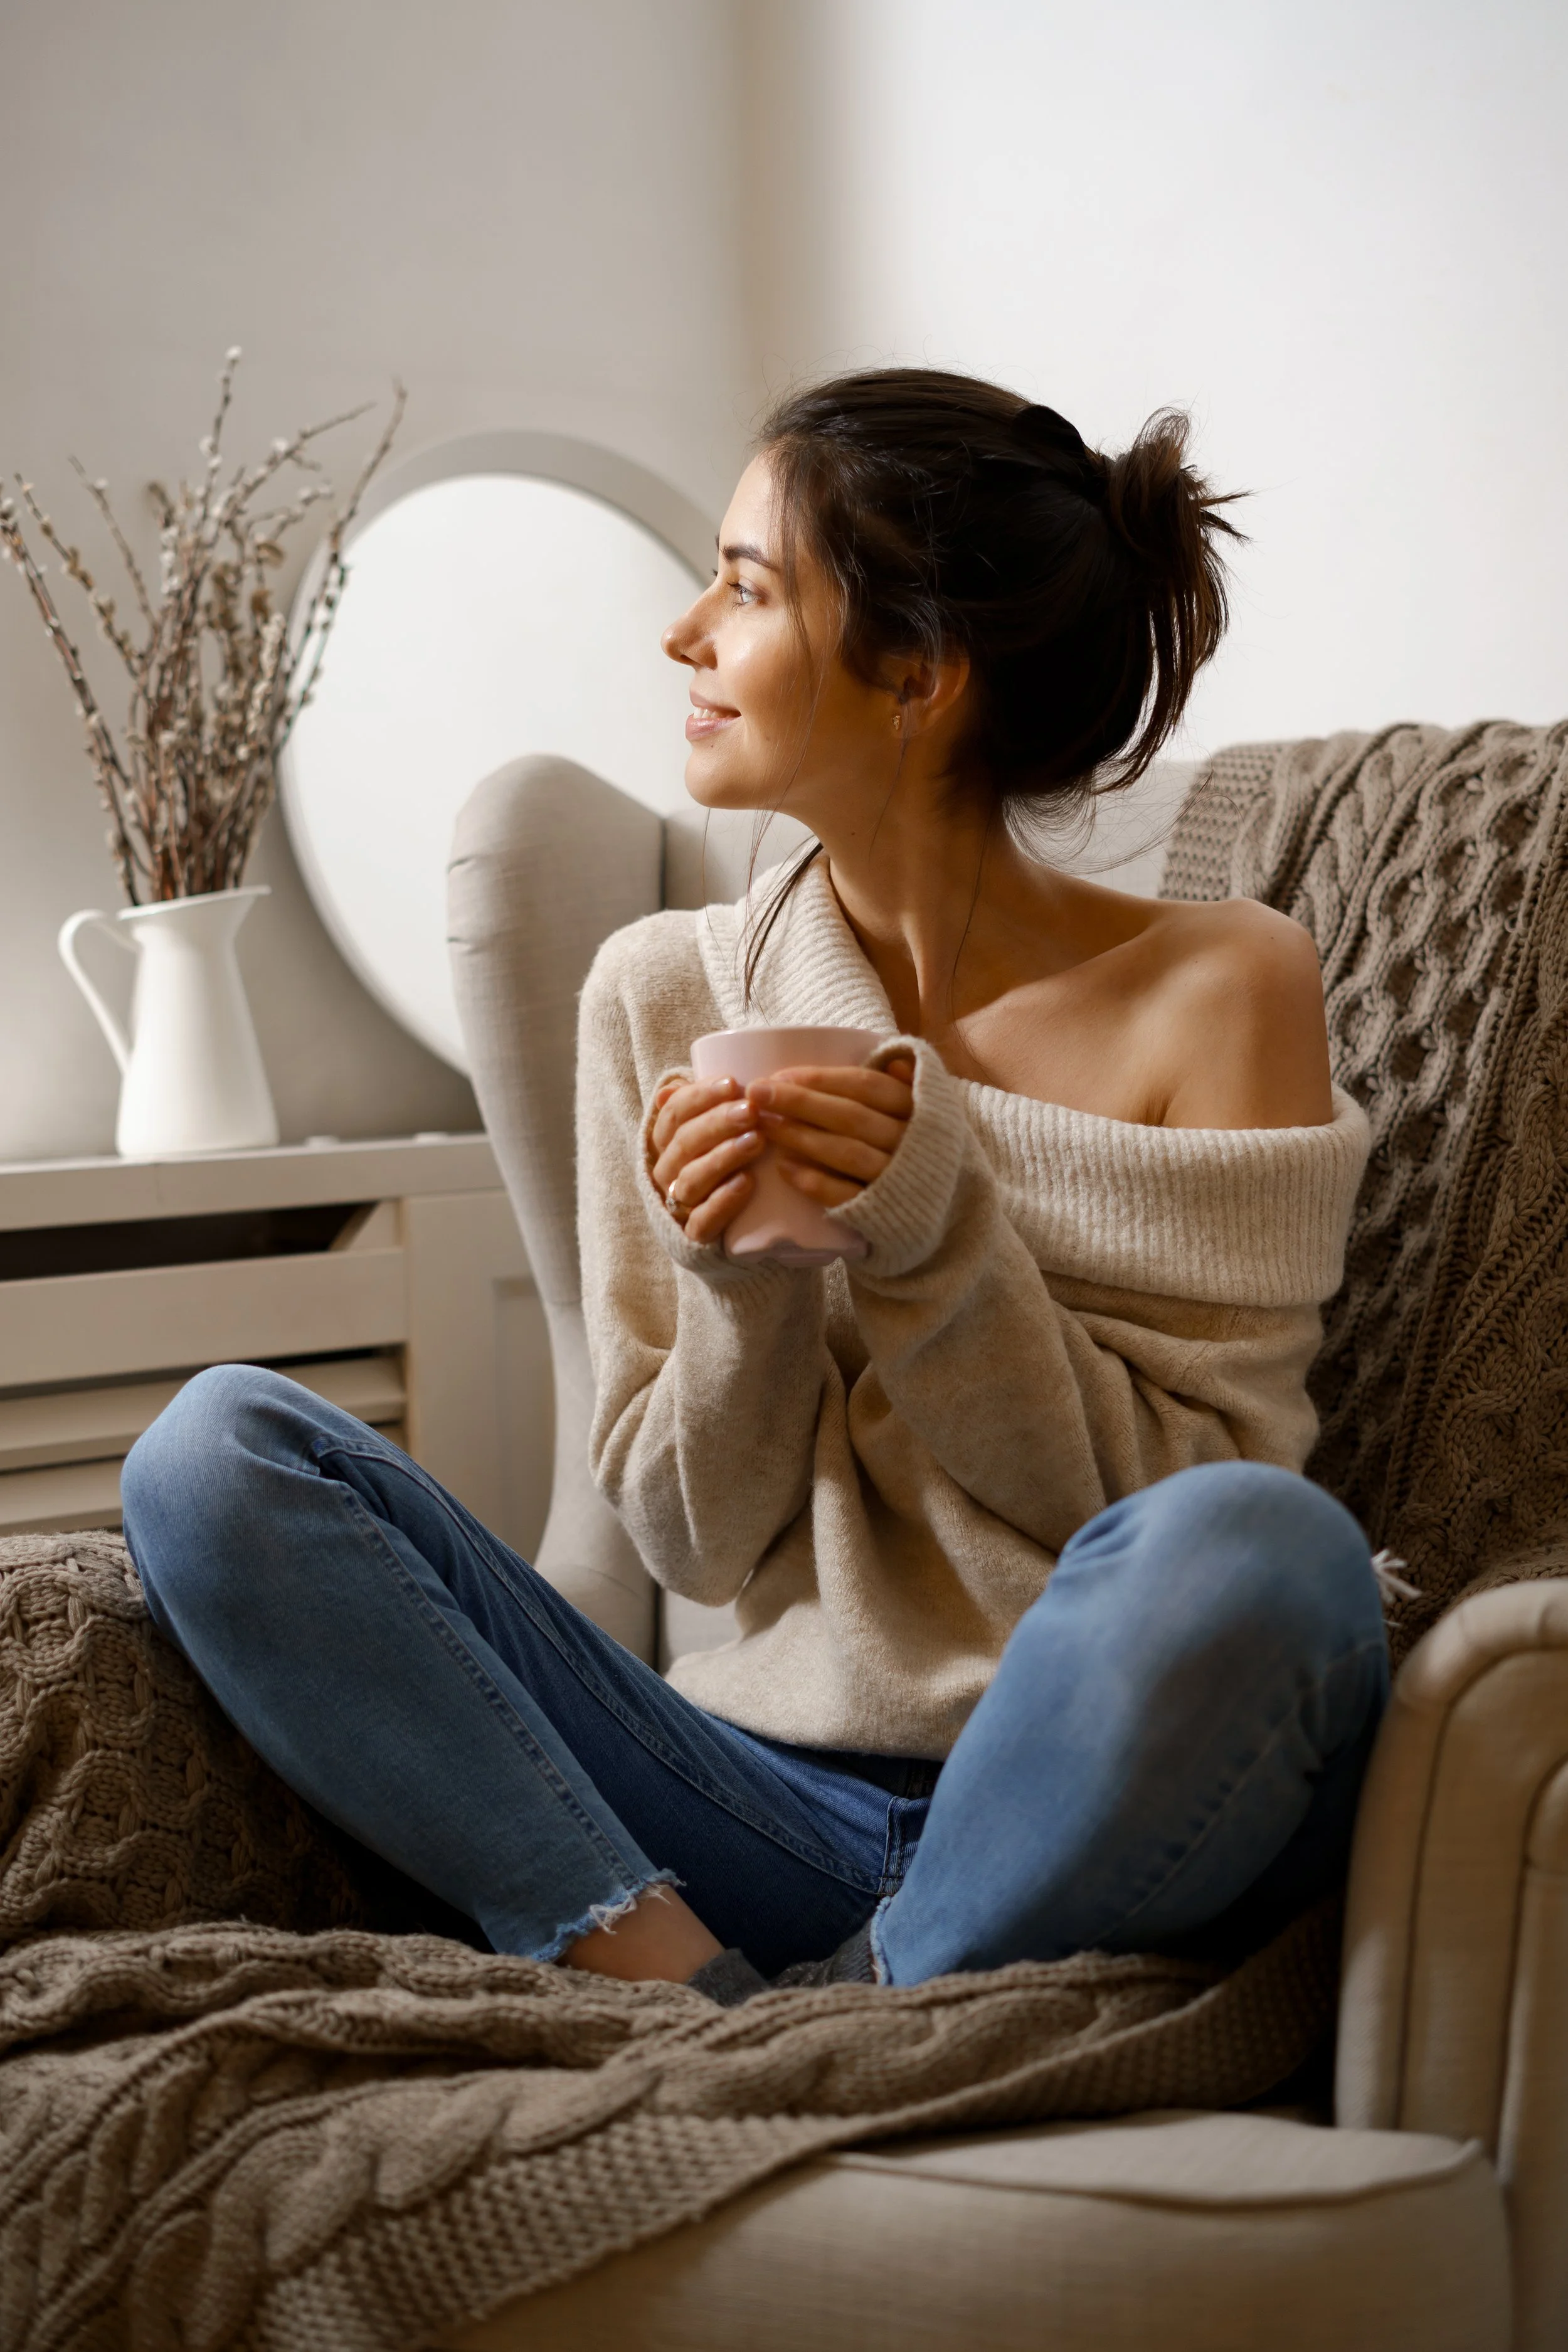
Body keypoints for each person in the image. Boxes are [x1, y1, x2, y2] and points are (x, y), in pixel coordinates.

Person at [122, 370, 1386, 2002]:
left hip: (1097, 1777)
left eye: (742, 586)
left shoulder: (1224, 984)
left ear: (918, 672)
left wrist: (932, 1225)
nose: (682, 637)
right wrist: (735, 1285)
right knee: (218, 1452)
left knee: (1262, 1546)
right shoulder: (661, 992)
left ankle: (836, 2011)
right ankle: (682, 1985)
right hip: (758, 1794)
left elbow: (1155, 1512)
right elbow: (694, 1543)